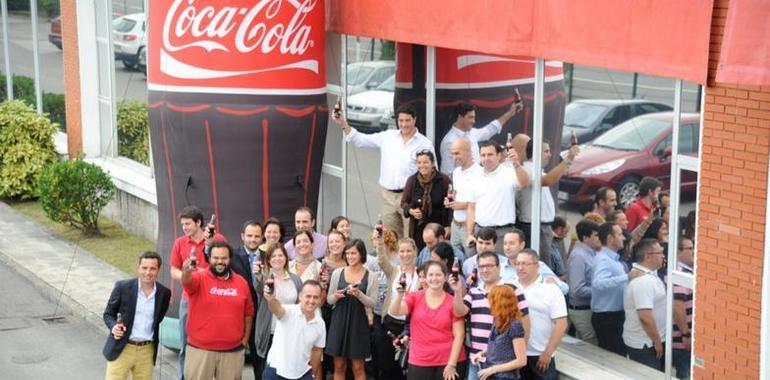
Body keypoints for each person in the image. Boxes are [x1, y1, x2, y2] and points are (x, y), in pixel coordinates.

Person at [334, 103, 434, 238]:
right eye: (401, 121)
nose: (404, 124)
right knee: (390, 239)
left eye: (407, 120)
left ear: (414, 120)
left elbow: (432, 172)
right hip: (387, 197)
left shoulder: (424, 143)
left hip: (411, 197)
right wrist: (343, 124)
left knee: (410, 239)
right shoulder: (388, 137)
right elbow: (361, 140)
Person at [450, 252, 530, 380]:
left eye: (489, 266)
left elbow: (525, 321)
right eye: (481, 267)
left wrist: (519, 353)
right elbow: (459, 312)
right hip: (478, 359)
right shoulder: (474, 291)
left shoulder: (511, 289)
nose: (485, 270)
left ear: (499, 267)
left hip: (504, 364)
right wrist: (457, 291)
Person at [181, 241, 254, 379]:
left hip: (232, 352)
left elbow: (248, 314)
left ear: (229, 259)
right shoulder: (199, 277)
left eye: (224, 258)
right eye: (216, 258)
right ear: (209, 258)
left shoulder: (241, 282)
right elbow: (187, 282)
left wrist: (244, 340)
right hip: (200, 350)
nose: (220, 262)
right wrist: (186, 271)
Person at [168, 206, 225, 380]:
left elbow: (225, 266)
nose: (184, 228)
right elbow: (173, 270)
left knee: (215, 344)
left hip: (214, 300)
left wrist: (203, 273)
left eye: (187, 224)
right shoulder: (180, 242)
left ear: (199, 222)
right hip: (189, 300)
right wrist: (188, 275)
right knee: (185, 343)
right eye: (182, 224)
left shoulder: (218, 239)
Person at [389, 260, 467, 380]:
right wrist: (400, 295)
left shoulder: (453, 301)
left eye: (438, 275)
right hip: (419, 360)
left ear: (445, 277)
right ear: (424, 277)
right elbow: (395, 311)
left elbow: (460, 335)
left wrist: (452, 364)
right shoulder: (415, 297)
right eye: (430, 275)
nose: (434, 278)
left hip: (448, 361)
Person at [102, 251, 171, 380]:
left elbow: (158, 318)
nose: (148, 272)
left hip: (147, 350)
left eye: (152, 269)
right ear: (138, 267)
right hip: (122, 348)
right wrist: (113, 328)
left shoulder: (164, 293)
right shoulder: (122, 287)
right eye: (144, 268)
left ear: (158, 270)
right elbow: (108, 314)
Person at [516, 137, 579, 269]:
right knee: (541, 267)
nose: (549, 155)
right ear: (535, 152)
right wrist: (569, 159)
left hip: (544, 227)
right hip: (534, 227)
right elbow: (549, 180)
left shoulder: (537, 171)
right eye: (546, 151)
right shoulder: (527, 170)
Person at [326, 239, 379, 380]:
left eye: (353, 253)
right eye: (347, 253)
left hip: (359, 323)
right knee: (339, 366)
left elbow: (373, 302)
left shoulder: (371, 276)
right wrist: (337, 296)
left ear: (361, 254)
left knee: (358, 367)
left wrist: (359, 294)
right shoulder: (338, 273)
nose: (350, 256)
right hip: (339, 321)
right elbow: (329, 299)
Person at [512, 249, 567, 380]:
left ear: (537, 265)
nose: (520, 267)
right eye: (517, 263)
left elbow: (561, 324)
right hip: (516, 354)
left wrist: (548, 353)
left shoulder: (550, 289)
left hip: (540, 355)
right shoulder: (510, 287)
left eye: (525, 264)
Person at [466, 140, 529, 252]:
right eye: (483, 155)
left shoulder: (508, 173)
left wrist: (516, 163)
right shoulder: (474, 177)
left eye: (490, 154)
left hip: (502, 234)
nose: (486, 158)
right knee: (479, 268)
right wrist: (469, 234)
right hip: (479, 233)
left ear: (499, 155)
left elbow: (524, 182)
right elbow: (471, 209)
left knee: (501, 267)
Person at [253, 243, 303, 378]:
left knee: (288, 373)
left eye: (280, 255)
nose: (277, 258)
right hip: (270, 333)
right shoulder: (264, 278)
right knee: (269, 373)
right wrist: (258, 275)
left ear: (286, 258)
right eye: (273, 256)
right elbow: (258, 287)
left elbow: (301, 306)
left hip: (290, 333)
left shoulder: (296, 280)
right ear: (268, 260)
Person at [376, 236, 420, 380]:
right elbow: (382, 260)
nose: (405, 254)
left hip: (409, 326)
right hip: (390, 323)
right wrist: (380, 241)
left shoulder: (420, 274)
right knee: (386, 364)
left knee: (405, 365)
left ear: (414, 252)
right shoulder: (393, 271)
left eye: (409, 251)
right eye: (402, 251)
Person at [263, 280, 326, 380]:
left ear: (319, 299)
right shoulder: (288, 311)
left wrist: (312, 373)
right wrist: (270, 299)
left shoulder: (320, 323)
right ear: (300, 296)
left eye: (315, 297)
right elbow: (277, 308)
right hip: (275, 371)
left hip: (303, 374)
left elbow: (317, 350)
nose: (311, 301)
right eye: (308, 296)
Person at [439, 100, 522, 174]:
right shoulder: (449, 141)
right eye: (470, 117)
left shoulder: (471, 133)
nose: (474, 121)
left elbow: (489, 130)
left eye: (474, 118)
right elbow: (447, 173)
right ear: (460, 117)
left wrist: (510, 113)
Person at [623, 239, 667, 371]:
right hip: (646, 344)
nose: (663, 256)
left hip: (651, 341)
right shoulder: (643, 282)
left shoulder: (649, 276)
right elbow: (645, 316)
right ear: (648, 256)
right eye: (660, 252)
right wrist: (657, 341)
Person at [469, 285, 528, 380]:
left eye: (492, 300)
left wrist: (493, 369)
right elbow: (501, 348)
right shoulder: (496, 320)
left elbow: (521, 361)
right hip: (491, 374)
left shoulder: (514, 325)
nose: (489, 303)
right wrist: (482, 353)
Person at [229, 220, 264, 379]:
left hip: (262, 315)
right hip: (238, 314)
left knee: (260, 357)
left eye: (257, 236)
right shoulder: (232, 256)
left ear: (262, 237)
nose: (253, 239)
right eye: (249, 235)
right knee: (234, 358)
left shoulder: (268, 256)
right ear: (242, 236)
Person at [591, 222, 630, 356]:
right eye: (619, 235)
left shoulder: (613, 259)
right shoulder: (603, 259)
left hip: (615, 315)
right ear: (610, 238)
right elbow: (598, 283)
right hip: (607, 318)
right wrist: (626, 277)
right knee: (613, 357)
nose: (623, 238)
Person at [402, 149, 453, 251]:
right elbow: (404, 203)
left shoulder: (443, 180)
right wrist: (411, 211)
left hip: (438, 227)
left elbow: (450, 204)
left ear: (433, 163)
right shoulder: (412, 180)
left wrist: (448, 225)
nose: (422, 165)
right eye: (419, 162)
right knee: (420, 256)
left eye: (425, 162)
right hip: (418, 228)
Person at [499, 229, 568, 295]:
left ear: (522, 245)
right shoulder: (499, 268)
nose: (507, 247)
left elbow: (564, 288)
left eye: (511, 243)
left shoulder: (536, 265)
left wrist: (553, 285)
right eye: (505, 244)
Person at [565, 219, 600, 345]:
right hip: (582, 310)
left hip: (588, 308)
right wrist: (600, 289)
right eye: (596, 235)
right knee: (591, 344)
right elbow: (577, 289)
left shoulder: (590, 253)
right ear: (585, 237)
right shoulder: (579, 256)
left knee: (584, 345)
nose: (599, 238)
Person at [446, 137, 482, 254]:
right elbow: (456, 194)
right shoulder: (456, 172)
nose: (454, 158)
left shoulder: (480, 172)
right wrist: (449, 200)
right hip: (455, 224)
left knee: (471, 262)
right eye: (452, 154)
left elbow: (483, 201)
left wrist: (463, 205)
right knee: (454, 262)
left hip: (470, 227)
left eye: (457, 153)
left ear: (468, 151)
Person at [672, 237, 694, 379]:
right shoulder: (680, 273)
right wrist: (685, 334)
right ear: (678, 252)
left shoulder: (688, 271)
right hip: (682, 343)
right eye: (690, 248)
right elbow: (678, 306)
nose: (693, 251)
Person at [549, 217, 569, 281]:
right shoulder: (552, 249)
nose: (566, 236)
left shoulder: (555, 244)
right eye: (566, 232)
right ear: (559, 229)